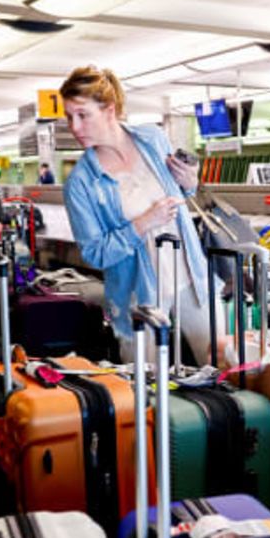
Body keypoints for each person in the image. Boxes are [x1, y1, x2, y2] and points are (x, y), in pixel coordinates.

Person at [60, 65, 217, 364]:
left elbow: (180, 197)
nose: (74, 127)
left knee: (220, 365)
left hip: (191, 277)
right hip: (137, 296)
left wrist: (190, 183)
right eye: (69, 117)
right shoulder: (80, 183)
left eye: (82, 115)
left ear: (109, 110)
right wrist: (144, 223)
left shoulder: (152, 139)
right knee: (146, 389)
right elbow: (94, 253)